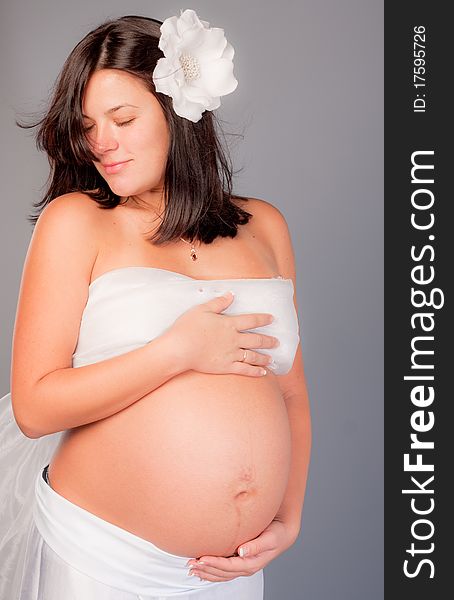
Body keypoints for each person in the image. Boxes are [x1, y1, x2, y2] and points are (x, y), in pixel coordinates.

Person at [0, 9, 312, 600]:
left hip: (231, 569)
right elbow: (35, 408)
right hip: (102, 558)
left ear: (179, 114)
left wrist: (287, 516)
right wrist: (178, 352)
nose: (100, 143)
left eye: (122, 118)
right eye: (87, 125)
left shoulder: (264, 225)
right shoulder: (77, 222)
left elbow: (291, 392)